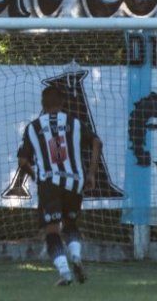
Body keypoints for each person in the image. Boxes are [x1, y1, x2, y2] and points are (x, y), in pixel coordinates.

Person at [18, 86, 101, 286]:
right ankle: (76, 257)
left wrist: (36, 175)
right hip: (75, 181)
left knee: (52, 230)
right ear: (63, 104)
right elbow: (97, 142)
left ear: (42, 105)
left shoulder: (33, 127)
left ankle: (65, 272)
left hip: (50, 183)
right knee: (71, 224)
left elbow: (22, 161)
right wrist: (90, 174)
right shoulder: (75, 123)